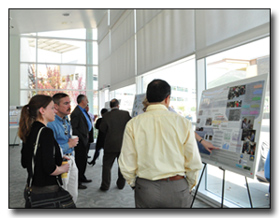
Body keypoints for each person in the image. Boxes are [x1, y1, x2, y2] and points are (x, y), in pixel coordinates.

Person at [119, 79, 203, 208]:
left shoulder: (133, 124)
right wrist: (189, 185)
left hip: (146, 188)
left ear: (147, 98)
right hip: (177, 187)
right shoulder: (183, 123)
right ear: (167, 98)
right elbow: (193, 160)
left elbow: (127, 160)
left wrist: (133, 183)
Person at [19, 95, 70, 208]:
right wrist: (63, 169)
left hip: (32, 188)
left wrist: (57, 156)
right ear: (42, 110)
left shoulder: (28, 130)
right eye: (52, 108)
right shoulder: (46, 132)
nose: (55, 111)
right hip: (47, 192)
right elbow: (49, 168)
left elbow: (25, 162)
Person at [144, 97, 218, 153]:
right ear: (166, 99)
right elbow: (185, 126)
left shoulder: (138, 119)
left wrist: (202, 141)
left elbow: (184, 126)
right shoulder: (169, 113)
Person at [47, 93, 79, 203]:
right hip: (61, 161)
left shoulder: (66, 119)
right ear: (55, 106)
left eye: (69, 102)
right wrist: (69, 145)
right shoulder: (51, 123)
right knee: (63, 193)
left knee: (73, 193)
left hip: (71, 158)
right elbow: (50, 149)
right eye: (65, 103)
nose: (69, 106)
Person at [99, 99, 131, 191]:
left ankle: (105, 186)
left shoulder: (106, 115)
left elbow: (102, 128)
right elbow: (130, 126)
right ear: (118, 105)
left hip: (110, 144)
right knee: (122, 165)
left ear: (110, 106)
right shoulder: (125, 114)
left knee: (107, 166)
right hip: (123, 144)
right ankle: (121, 184)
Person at [70, 94, 93, 189]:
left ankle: (82, 176)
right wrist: (81, 138)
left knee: (83, 160)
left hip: (86, 139)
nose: (87, 101)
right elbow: (74, 128)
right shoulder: (76, 113)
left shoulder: (83, 111)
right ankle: (77, 181)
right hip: (81, 141)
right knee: (80, 161)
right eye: (86, 100)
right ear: (82, 101)